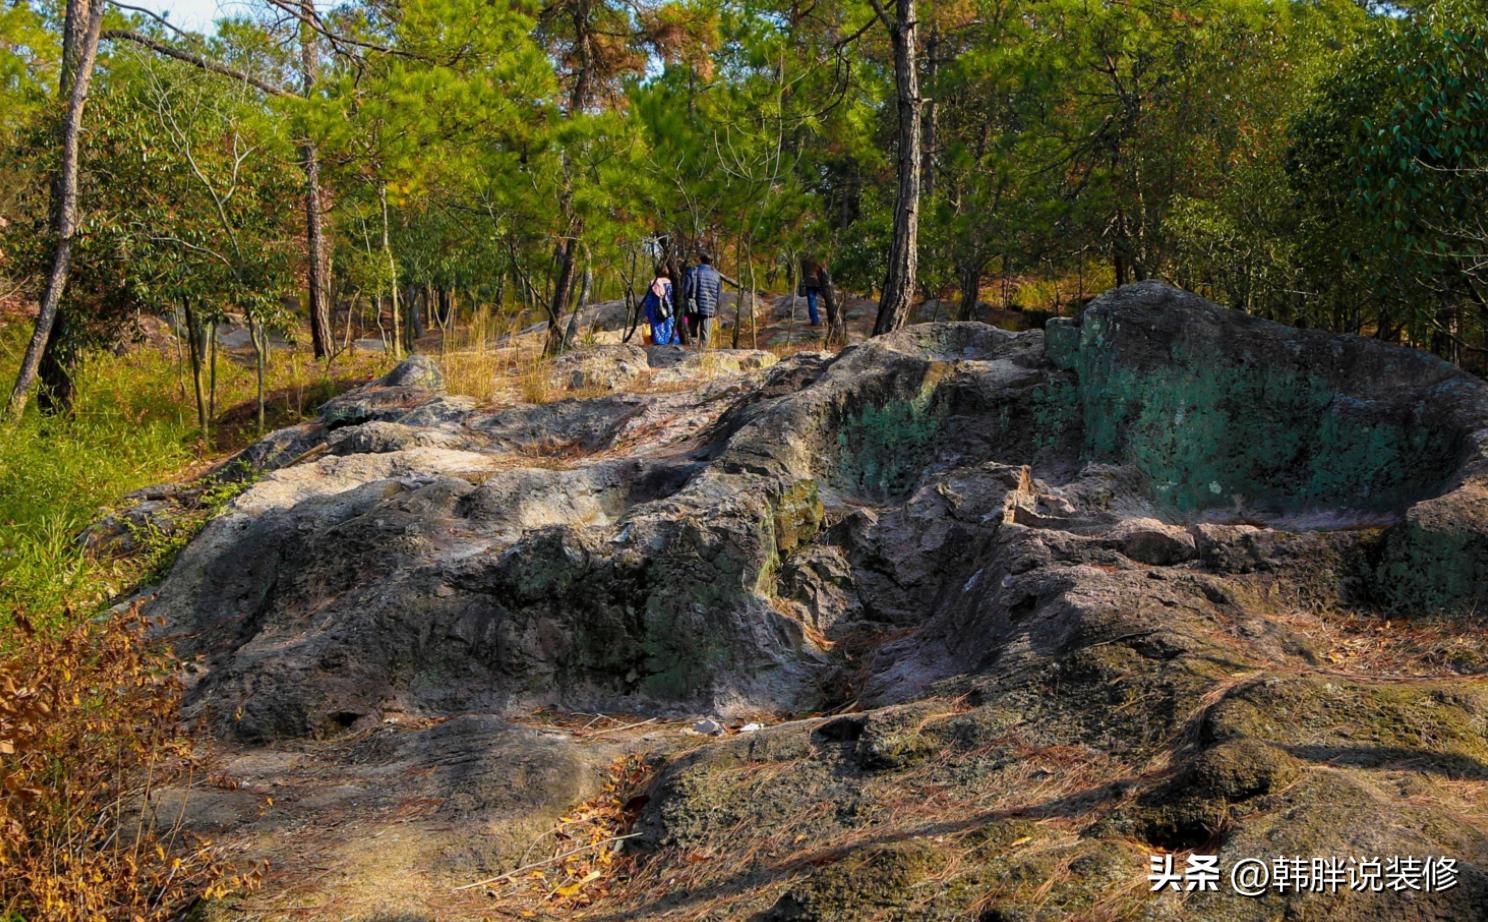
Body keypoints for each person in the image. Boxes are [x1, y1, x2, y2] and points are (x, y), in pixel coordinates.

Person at [684, 252, 722, 346]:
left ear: (700, 260)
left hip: (694, 306)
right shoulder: (716, 275)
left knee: (692, 332)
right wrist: (716, 308)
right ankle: (703, 354)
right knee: (705, 333)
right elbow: (718, 294)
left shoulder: (693, 271)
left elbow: (686, 290)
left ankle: (691, 353)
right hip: (709, 307)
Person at [641, 270, 678, 345]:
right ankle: (670, 342)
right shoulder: (672, 283)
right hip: (669, 310)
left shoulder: (653, 283)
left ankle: (659, 343)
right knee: (669, 327)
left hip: (655, 311)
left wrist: (647, 314)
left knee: (658, 329)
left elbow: (649, 300)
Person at [800, 255, 825, 327]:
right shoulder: (821, 255)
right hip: (820, 282)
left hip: (809, 282)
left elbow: (803, 271)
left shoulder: (804, 257)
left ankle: (815, 321)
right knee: (827, 300)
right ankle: (831, 318)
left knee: (811, 301)